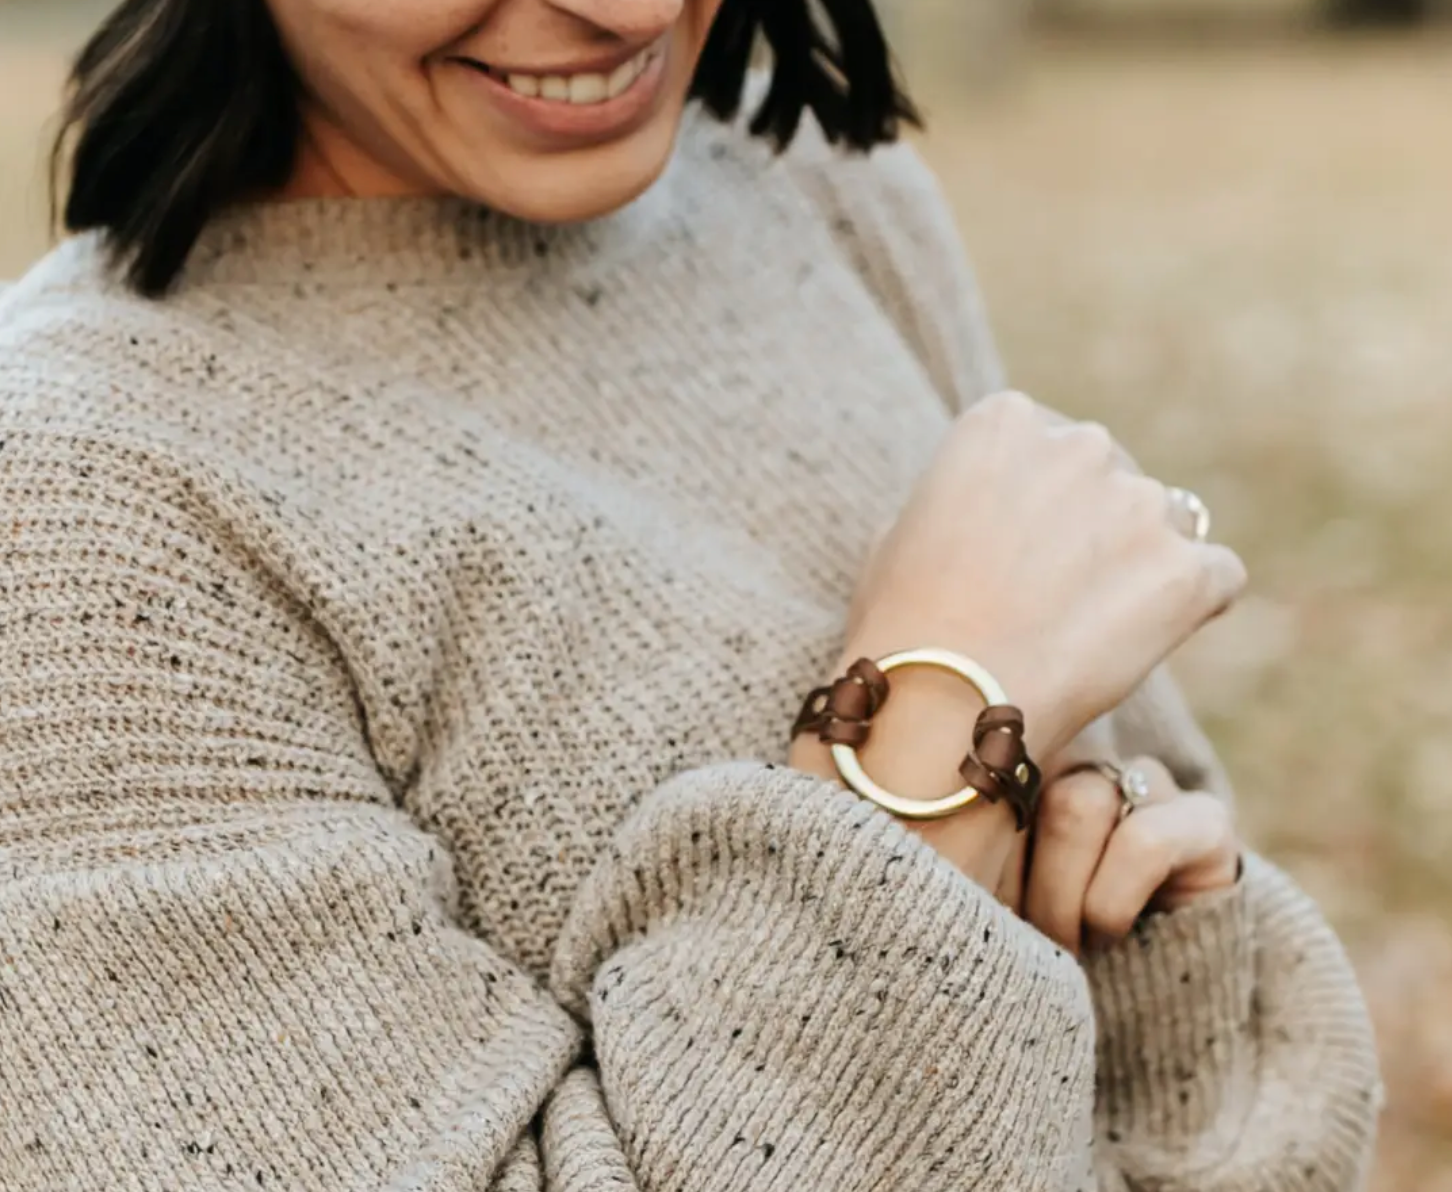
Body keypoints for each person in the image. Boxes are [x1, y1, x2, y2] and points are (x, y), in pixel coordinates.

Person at [0, 0, 1379, 1187]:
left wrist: (1160, 957)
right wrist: (927, 739)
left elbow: (1205, 1062)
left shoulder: (820, 183)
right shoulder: (80, 499)